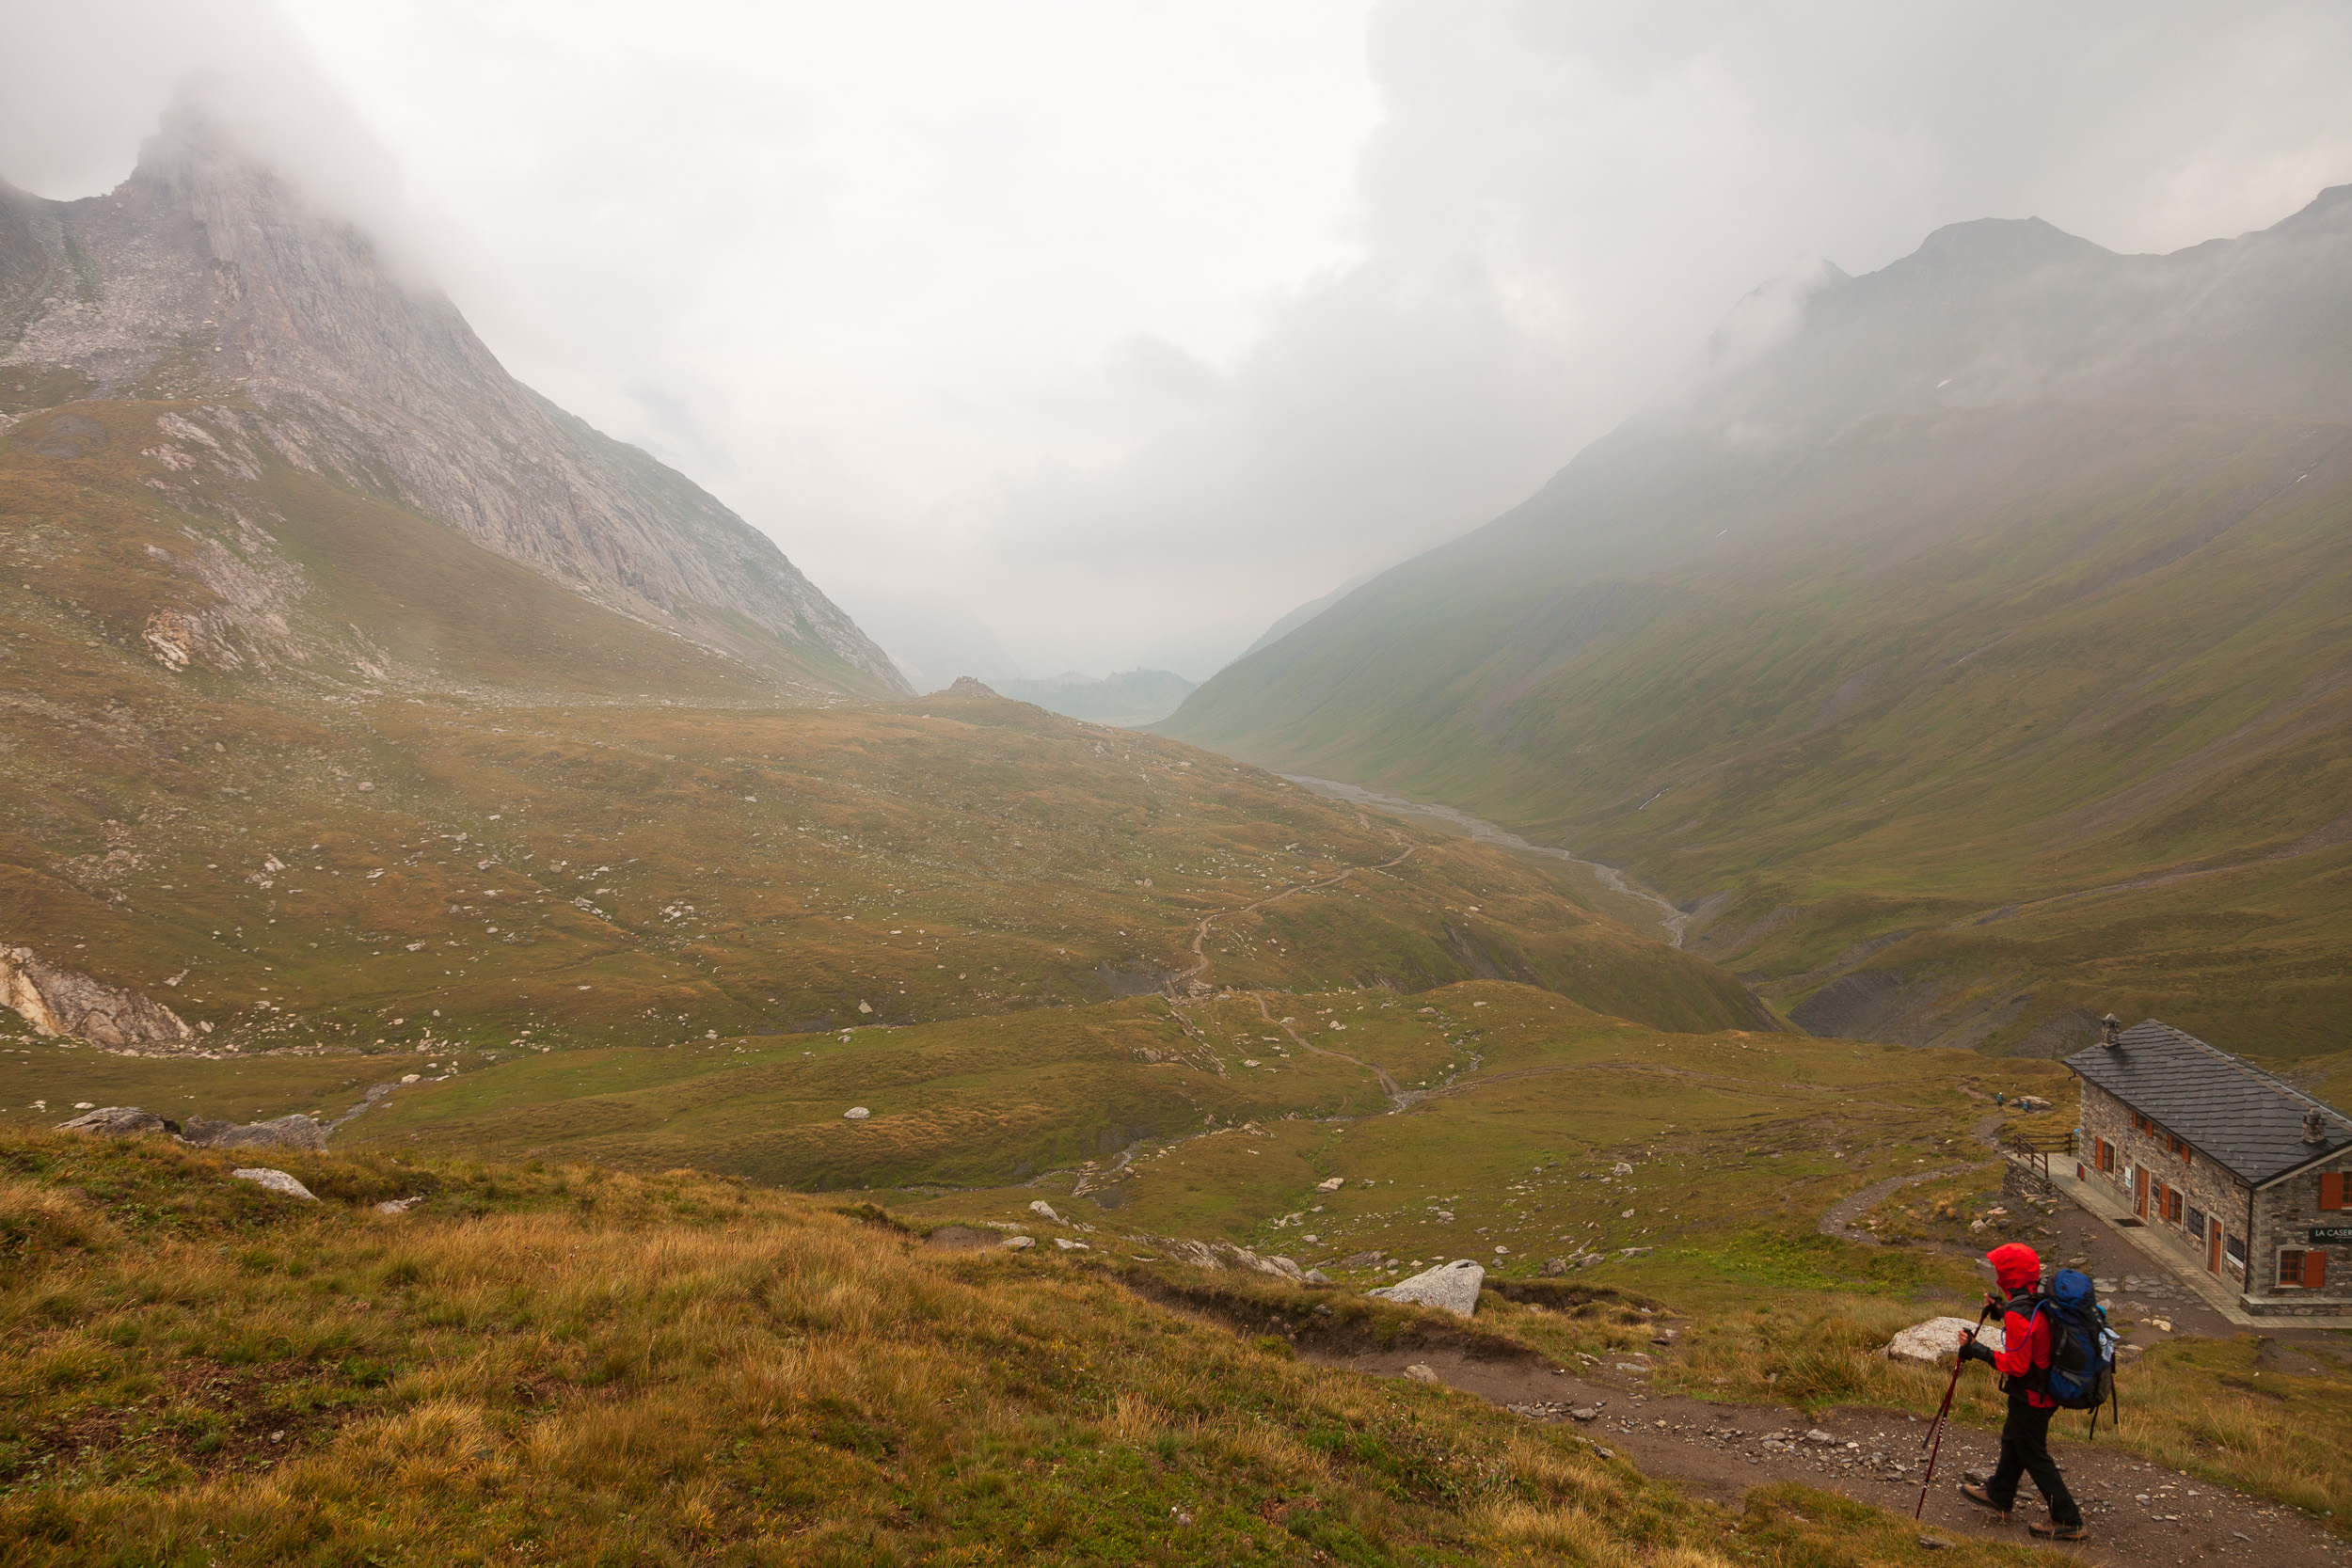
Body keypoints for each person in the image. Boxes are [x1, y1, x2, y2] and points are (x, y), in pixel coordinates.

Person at [1956, 1242, 2087, 1540]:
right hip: (2044, 1391)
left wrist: (1977, 1350)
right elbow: (2033, 1328)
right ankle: (1999, 1495)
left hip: (2032, 1395)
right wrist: (2001, 1309)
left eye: (1999, 1269)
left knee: (2033, 1454)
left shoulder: (2020, 1313)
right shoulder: (2037, 1294)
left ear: (2007, 1276)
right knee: (2014, 1440)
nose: (1996, 1274)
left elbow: (2016, 1365)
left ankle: (2068, 1519)